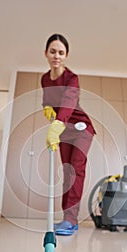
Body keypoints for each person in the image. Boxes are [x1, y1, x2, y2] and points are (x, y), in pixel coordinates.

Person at [41, 33, 96, 236]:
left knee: (76, 170)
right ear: (46, 53)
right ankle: (67, 218)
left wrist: (57, 123)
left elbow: (69, 102)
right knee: (67, 172)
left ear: (66, 56)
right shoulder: (45, 79)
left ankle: (71, 221)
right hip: (63, 129)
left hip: (81, 128)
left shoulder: (71, 78)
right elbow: (48, 100)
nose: (57, 56)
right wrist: (46, 108)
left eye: (61, 53)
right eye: (53, 51)